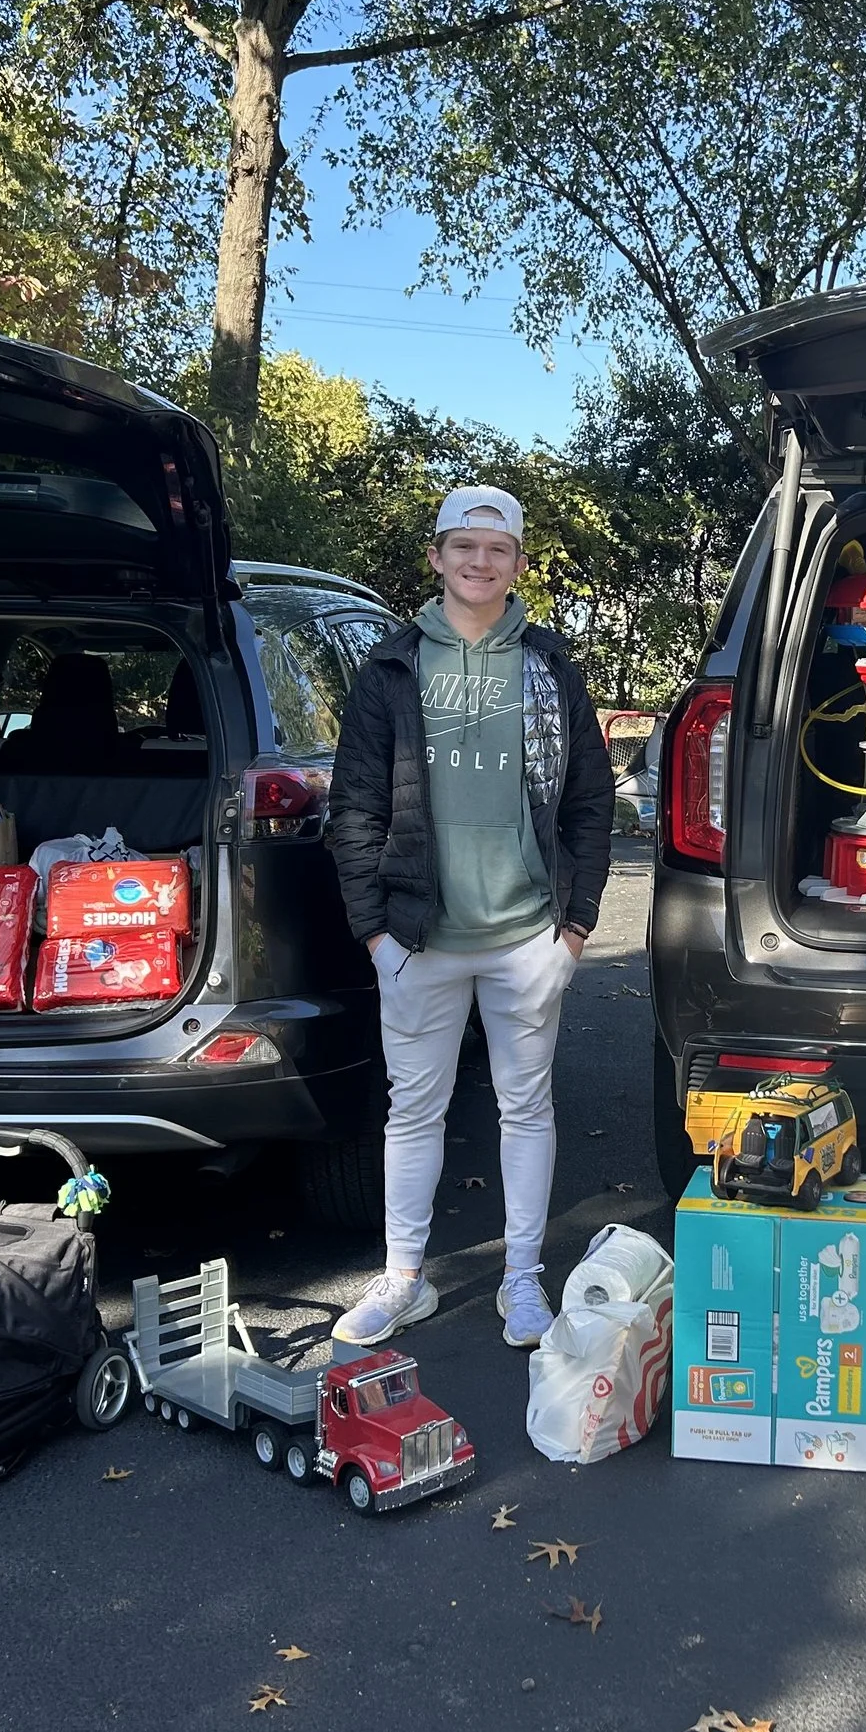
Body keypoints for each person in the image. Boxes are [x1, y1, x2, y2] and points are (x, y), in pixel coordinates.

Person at [325, 486, 614, 1349]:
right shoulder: (392, 667)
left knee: (526, 1108)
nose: (479, 562)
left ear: (518, 562)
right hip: (419, 938)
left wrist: (575, 930)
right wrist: (376, 934)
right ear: (437, 556)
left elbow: (590, 804)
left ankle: (522, 1279)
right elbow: (354, 808)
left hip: (528, 936)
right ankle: (403, 1277)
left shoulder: (550, 667)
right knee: (412, 1111)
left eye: (496, 549)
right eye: (463, 545)